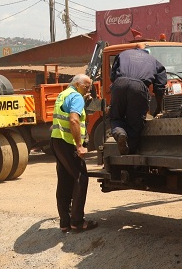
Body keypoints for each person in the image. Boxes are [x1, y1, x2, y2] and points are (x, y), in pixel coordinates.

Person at [50, 74, 98, 233]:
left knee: (64, 180)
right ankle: (77, 222)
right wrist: (79, 146)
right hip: (68, 143)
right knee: (80, 178)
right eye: (87, 86)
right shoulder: (76, 97)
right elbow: (74, 120)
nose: (89, 89)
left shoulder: (63, 94)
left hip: (57, 140)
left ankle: (65, 222)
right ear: (77, 84)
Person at [109, 44, 167, 155]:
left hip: (119, 84)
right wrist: (159, 107)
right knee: (135, 124)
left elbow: (112, 76)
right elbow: (160, 88)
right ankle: (130, 155)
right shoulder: (154, 61)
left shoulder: (123, 54)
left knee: (115, 116)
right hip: (139, 87)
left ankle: (119, 132)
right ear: (146, 52)